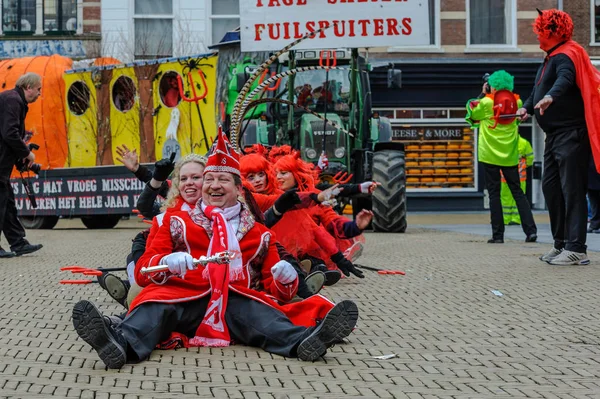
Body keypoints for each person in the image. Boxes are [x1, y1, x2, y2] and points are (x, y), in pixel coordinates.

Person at [72, 130, 358, 369]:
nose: (213, 185)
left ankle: (306, 342)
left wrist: (286, 279)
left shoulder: (258, 233)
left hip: (234, 299)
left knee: (264, 316)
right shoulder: (174, 220)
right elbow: (145, 270)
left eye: (223, 180)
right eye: (209, 180)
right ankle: (117, 342)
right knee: (153, 308)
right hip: (183, 294)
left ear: (238, 189)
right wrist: (168, 262)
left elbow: (275, 290)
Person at [516, 9, 600, 265]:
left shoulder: (567, 55)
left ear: (553, 32)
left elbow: (565, 79)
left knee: (571, 189)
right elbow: (536, 90)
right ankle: (560, 243)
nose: (538, 37)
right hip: (554, 136)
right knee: (551, 187)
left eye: (542, 32)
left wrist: (552, 96)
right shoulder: (551, 57)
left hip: (572, 134)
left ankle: (577, 249)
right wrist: (526, 108)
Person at [466, 70, 537, 244]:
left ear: (492, 85)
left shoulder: (486, 103)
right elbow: (518, 120)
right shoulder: (517, 101)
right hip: (510, 155)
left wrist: (483, 93)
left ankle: (498, 235)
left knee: (494, 194)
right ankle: (531, 231)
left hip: (489, 155)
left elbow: (471, 114)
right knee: (518, 193)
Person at [0, 72, 44, 258]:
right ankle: (16, 243)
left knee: (7, 204)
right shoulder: (13, 100)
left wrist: (20, 159)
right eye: (38, 89)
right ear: (28, 87)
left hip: (3, 164)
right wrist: (27, 153)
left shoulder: (13, 100)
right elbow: (9, 133)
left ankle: (18, 243)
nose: (40, 93)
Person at [500, 136, 534, 225]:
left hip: (504, 177)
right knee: (519, 197)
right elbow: (530, 158)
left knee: (505, 198)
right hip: (520, 176)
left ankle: (505, 219)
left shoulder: (502, 141)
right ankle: (516, 219)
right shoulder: (524, 142)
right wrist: (524, 166)